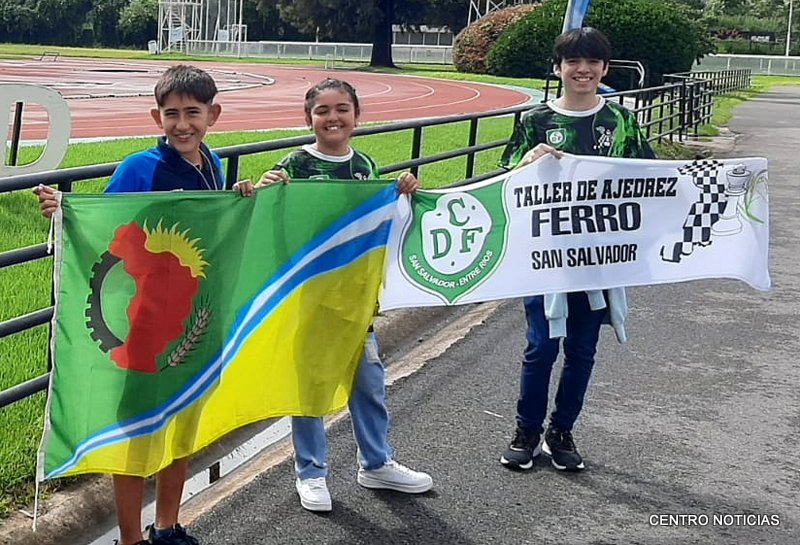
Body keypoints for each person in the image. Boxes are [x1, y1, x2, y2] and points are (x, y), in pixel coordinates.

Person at [34, 64, 254, 545]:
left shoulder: (212, 164)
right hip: (144, 327)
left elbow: (216, 235)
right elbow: (107, 228)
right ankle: (131, 538)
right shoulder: (139, 168)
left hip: (194, 324)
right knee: (136, 435)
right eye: (172, 114)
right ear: (157, 118)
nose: (182, 124)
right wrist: (66, 211)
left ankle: (168, 526)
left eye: (192, 113)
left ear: (213, 115)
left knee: (181, 425)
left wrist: (242, 198)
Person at [258, 78, 432, 512]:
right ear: (308, 119)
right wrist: (264, 188)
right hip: (309, 300)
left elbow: (378, 222)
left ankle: (376, 462)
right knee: (310, 388)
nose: (332, 118)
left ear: (357, 116)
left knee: (369, 385)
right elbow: (271, 219)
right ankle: (311, 472)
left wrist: (404, 190)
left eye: (342, 109)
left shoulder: (365, 165)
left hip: (355, 302)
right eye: (322, 111)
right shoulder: (294, 165)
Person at [497, 27, 655, 472]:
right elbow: (505, 181)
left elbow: (653, 178)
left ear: (604, 69)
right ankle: (526, 431)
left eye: (592, 62)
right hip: (546, 258)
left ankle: (561, 431)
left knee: (582, 350)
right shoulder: (535, 121)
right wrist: (527, 164)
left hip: (599, 260)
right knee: (541, 347)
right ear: (558, 68)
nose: (582, 70)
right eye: (573, 61)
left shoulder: (620, 121)